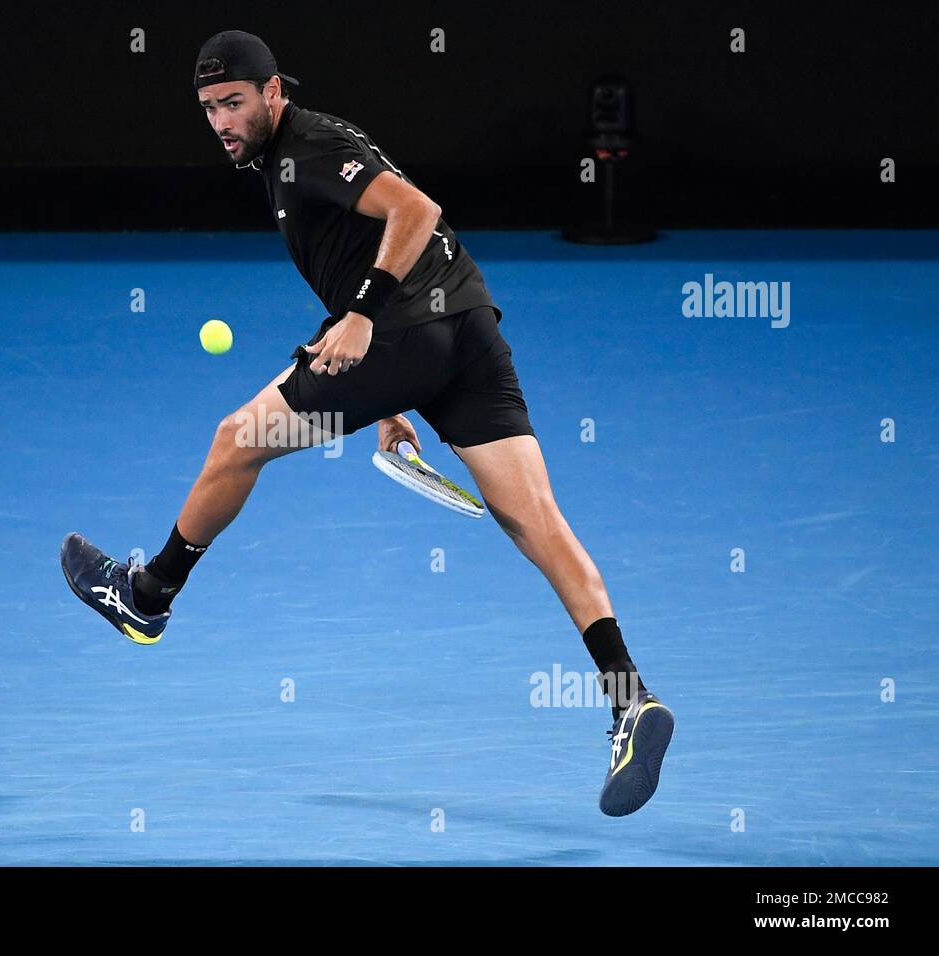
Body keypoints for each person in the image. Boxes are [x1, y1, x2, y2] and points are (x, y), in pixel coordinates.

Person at [62, 30, 674, 816]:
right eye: (210, 108)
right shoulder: (300, 159)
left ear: (273, 92)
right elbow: (373, 251)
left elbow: (417, 211)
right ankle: (631, 697)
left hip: (405, 330)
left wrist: (361, 316)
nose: (222, 120)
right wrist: (388, 403)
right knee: (534, 520)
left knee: (235, 442)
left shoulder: (304, 149)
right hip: (466, 328)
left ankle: (148, 595)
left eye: (236, 103)